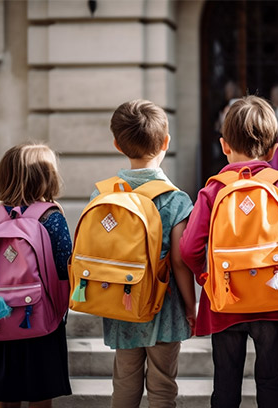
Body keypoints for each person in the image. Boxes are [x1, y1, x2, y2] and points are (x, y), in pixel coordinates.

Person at [180, 95, 278, 408]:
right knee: (271, 383)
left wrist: (206, 276)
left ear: (224, 145)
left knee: (225, 384)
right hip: (271, 295)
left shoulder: (213, 189)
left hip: (226, 298)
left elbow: (189, 247)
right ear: (274, 149)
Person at [96, 99, 197, 408]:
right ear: (166, 141)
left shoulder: (104, 194)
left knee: (124, 386)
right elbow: (180, 262)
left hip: (121, 305)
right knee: (163, 387)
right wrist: (191, 307)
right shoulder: (177, 200)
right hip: (164, 310)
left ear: (116, 144)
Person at [0, 143, 72, 408]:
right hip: (42, 321)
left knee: (6, 396)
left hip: (0, 317)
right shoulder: (51, 217)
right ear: (47, 177)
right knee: (41, 394)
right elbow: (65, 266)